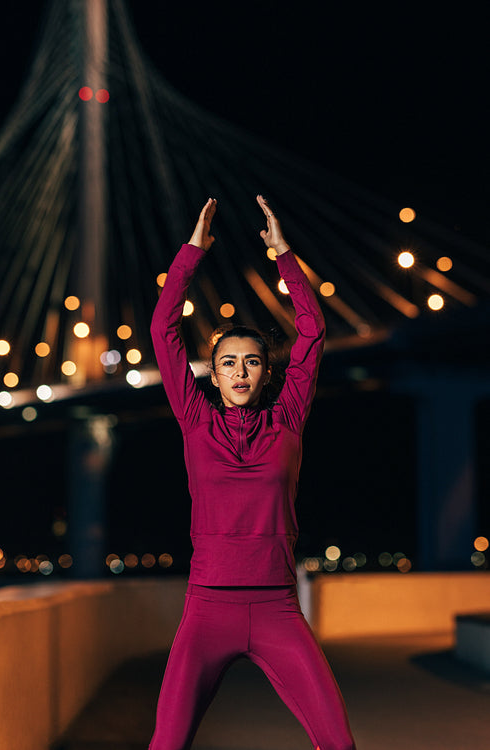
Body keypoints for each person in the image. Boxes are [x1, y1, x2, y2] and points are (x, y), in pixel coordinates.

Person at [148, 195, 356, 750]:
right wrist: (193, 253)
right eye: (227, 364)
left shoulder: (287, 420)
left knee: (339, 744)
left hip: (276, 607)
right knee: (165, 745)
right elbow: (163, 329)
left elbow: (312, 331)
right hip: (207, 607)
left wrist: (283, 255)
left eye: (252, 362)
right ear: (212, 376)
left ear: (267, 374)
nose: (240, 372)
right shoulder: (195, 421)